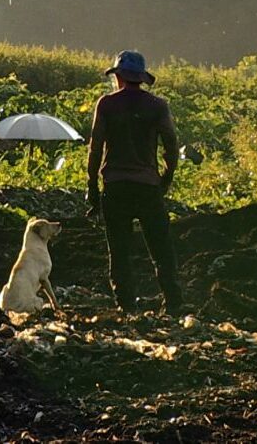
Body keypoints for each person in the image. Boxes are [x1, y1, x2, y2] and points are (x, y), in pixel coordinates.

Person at [86, 50, 185, 315]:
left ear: (118, 77)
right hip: (148, 187)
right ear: (141, 78)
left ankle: (127, 308)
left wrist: (91, 187)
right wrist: (166, 177)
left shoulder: (106, 105)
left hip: (116, 187)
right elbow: (171, 145)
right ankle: (173, 304)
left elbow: (95, 149)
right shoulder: (157, 106)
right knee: (162, 249)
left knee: (119, 251)